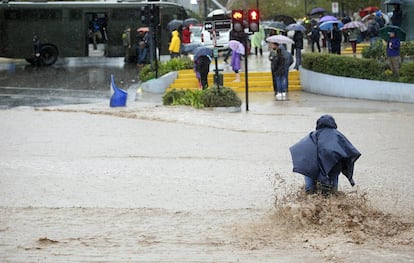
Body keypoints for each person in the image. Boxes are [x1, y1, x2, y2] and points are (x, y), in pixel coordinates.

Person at [290, 114, 361, 195]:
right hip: (333, 165)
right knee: (332, 192)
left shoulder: (313, 135)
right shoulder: (338, 135)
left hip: (313, 165)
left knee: (310, 190)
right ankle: (333, 202)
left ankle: (307, 199)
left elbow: (301, 149)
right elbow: (349, 151)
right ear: (333, 124)